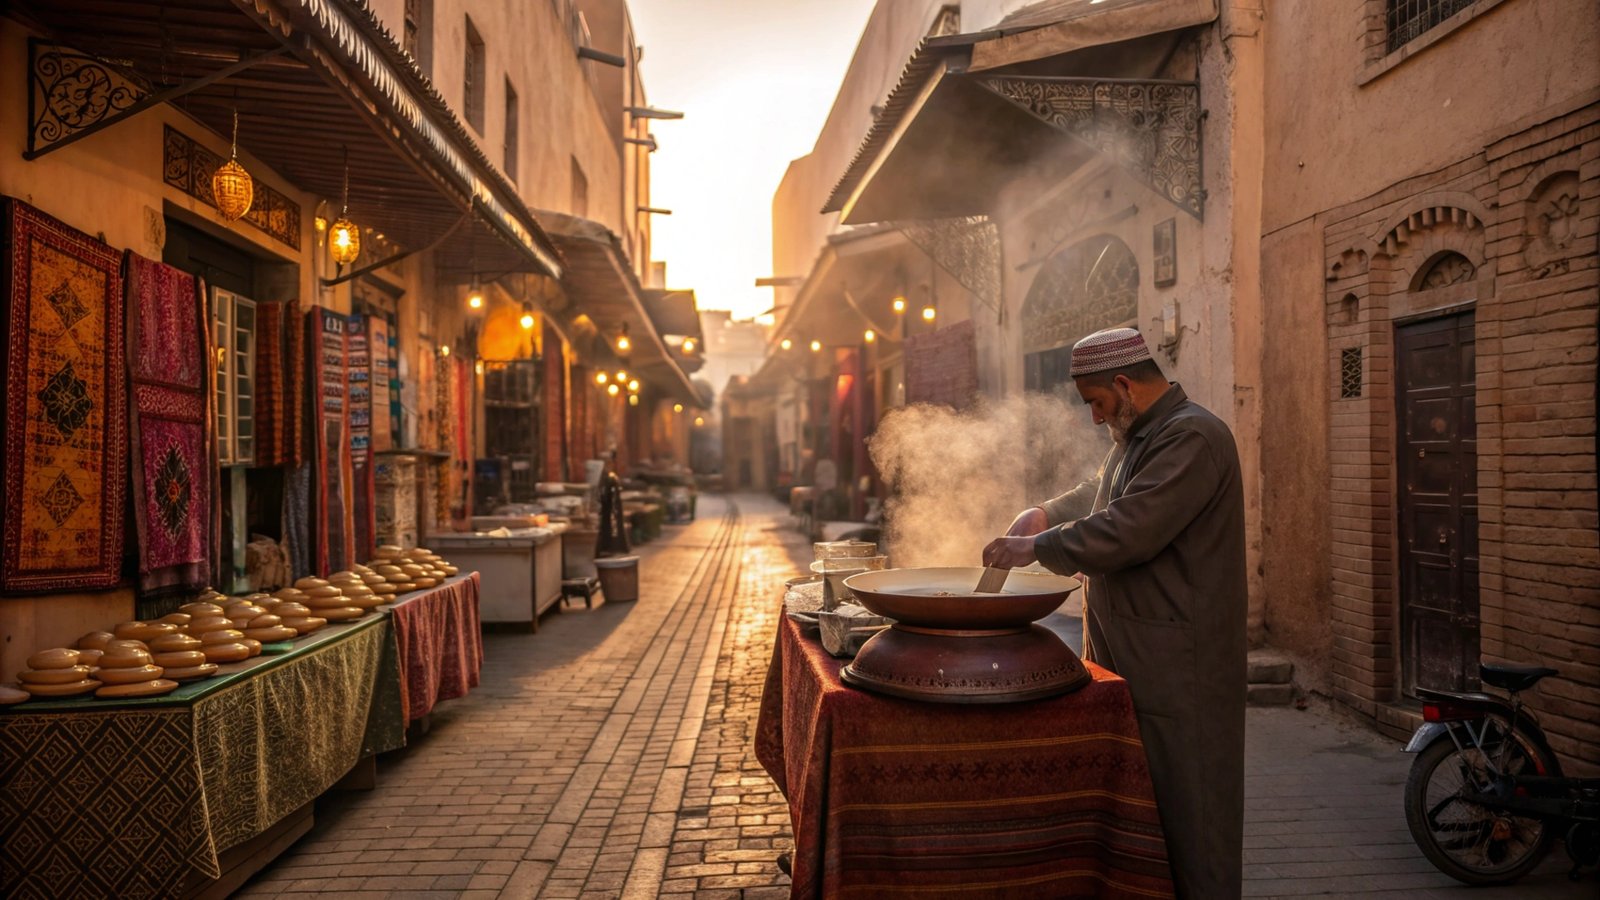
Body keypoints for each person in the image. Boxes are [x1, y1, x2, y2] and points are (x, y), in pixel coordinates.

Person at [983, 327, 1246, 899]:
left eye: (1097, 404)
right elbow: (1102, 493)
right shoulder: (1142, 436)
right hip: (1139, 659)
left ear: (1123, 384)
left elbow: (1130, 526)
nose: (1096, 419)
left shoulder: (1193, 437)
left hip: (1182, 670)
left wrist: (1037, 547)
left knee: (1191, 819)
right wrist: (1042, 512)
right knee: (1145, 816)